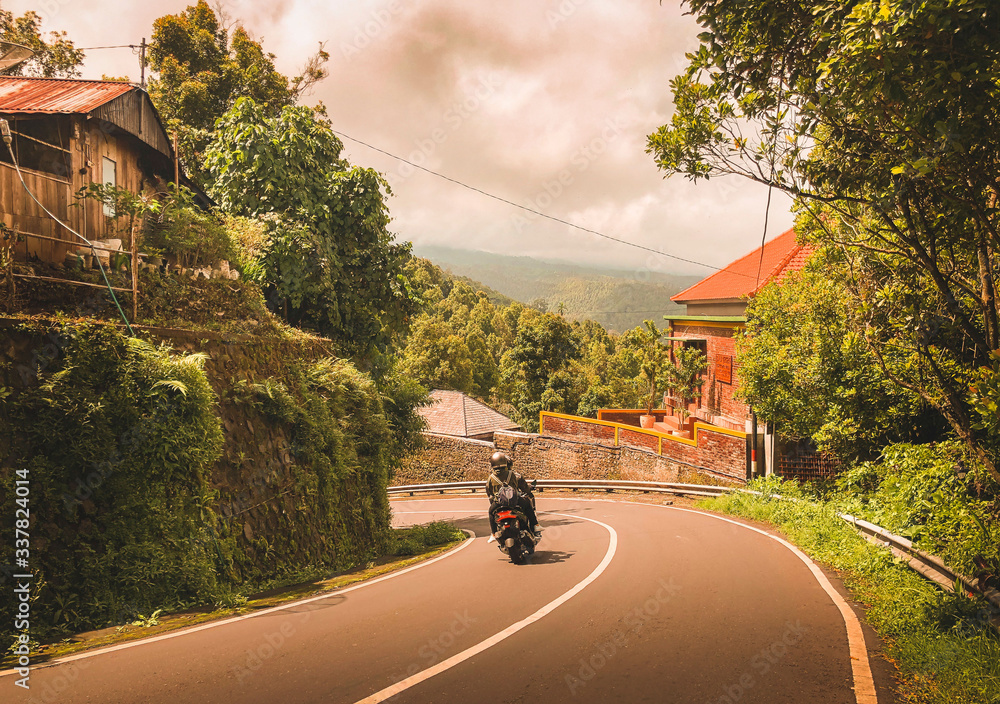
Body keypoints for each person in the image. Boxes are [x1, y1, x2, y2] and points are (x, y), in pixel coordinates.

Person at [486, 451, 541, 539]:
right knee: (527, 504)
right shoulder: (512, 474)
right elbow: (518, 486)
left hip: (499, 503)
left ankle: (493, 534)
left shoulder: (491, 477)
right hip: (514, 501)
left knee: (490, 512)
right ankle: (535, 525)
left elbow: (489, 492)